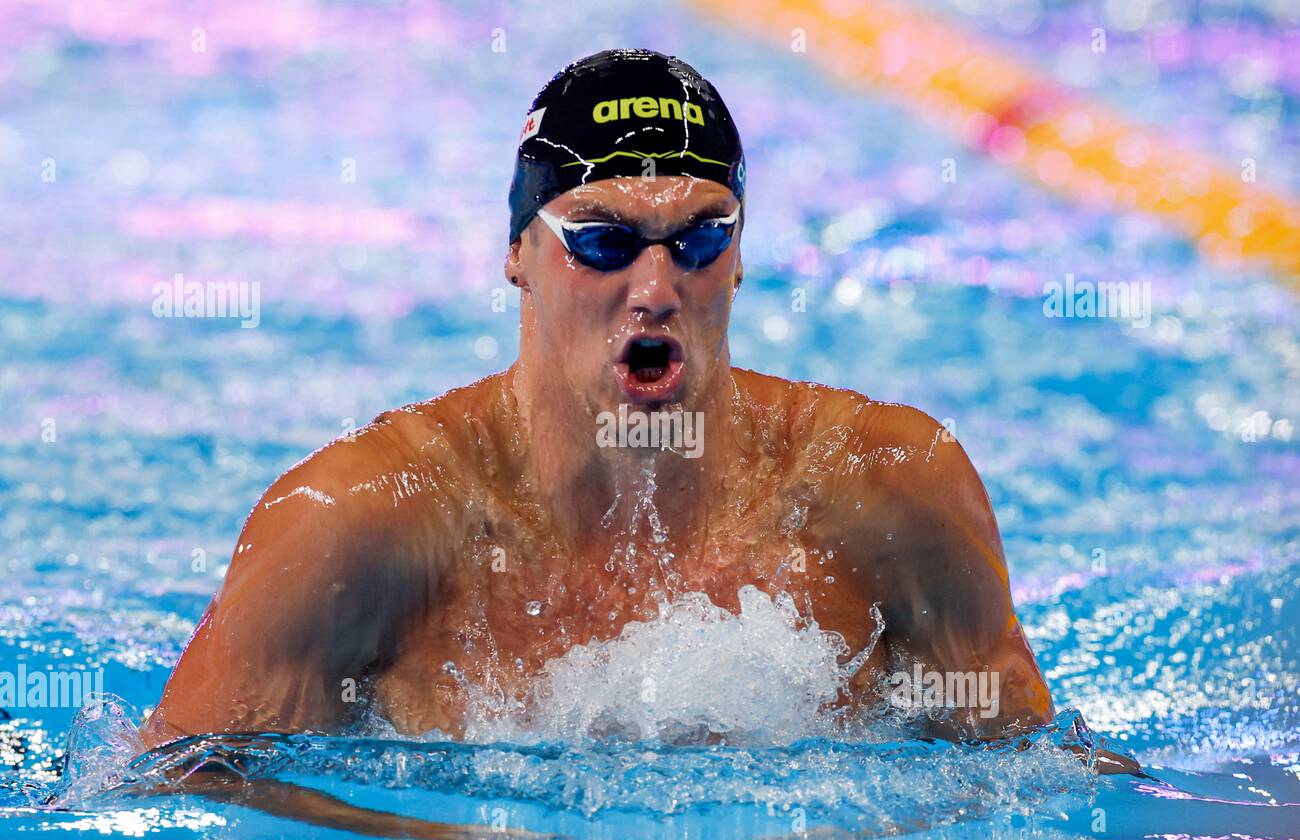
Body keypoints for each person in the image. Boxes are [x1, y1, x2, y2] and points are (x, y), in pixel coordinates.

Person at [141, 48, 1083, 761]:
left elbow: (1038, 787)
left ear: (744, 253)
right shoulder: (359, 526)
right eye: (604, 242)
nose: (656, 285)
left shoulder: (891, 490)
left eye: (700, 238)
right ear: (519, 252)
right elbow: (176, 805)